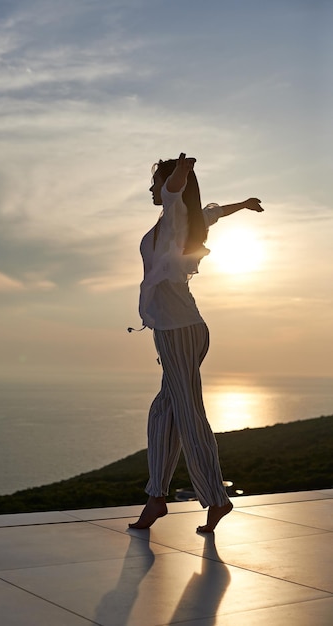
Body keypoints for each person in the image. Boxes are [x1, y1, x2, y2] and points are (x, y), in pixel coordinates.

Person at [129, 152, 263, 532]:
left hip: (180, 330)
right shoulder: (182, 224)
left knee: (187, 414)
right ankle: (156, 497)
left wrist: (181, 173)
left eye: (155, 182)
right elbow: (214, 212)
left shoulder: (174, 216)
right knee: (164, 413)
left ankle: (215, 499)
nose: (152, 188)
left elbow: (175, 194)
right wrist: (245, 204)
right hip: (174, 330)